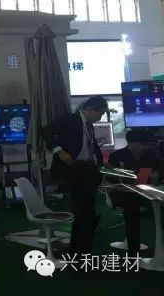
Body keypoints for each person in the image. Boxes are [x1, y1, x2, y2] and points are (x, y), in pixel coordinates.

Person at [46, 96, 108, 256]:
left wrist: (99, 163)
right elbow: (47, 131)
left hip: (88, 170)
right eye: (100, 113)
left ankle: (83, 247)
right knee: (82, 211)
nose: (100, 117)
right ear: (89, 110)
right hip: (75, 169)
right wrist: (60, 152)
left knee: (88, 211)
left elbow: (91, 146)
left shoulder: (88, 124)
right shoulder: (70, 119)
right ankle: (78, 251)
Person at [108, 128, 158, 254]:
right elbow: (111, 180)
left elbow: (154, 175)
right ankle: (133, 251)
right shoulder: (116, 156)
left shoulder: (149, 156)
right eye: (141, 144)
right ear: (131, 143)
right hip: (122, 193)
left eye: (145, 144)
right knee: (132, 209)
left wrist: (152, 179)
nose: (144, 147)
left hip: (144, 191)